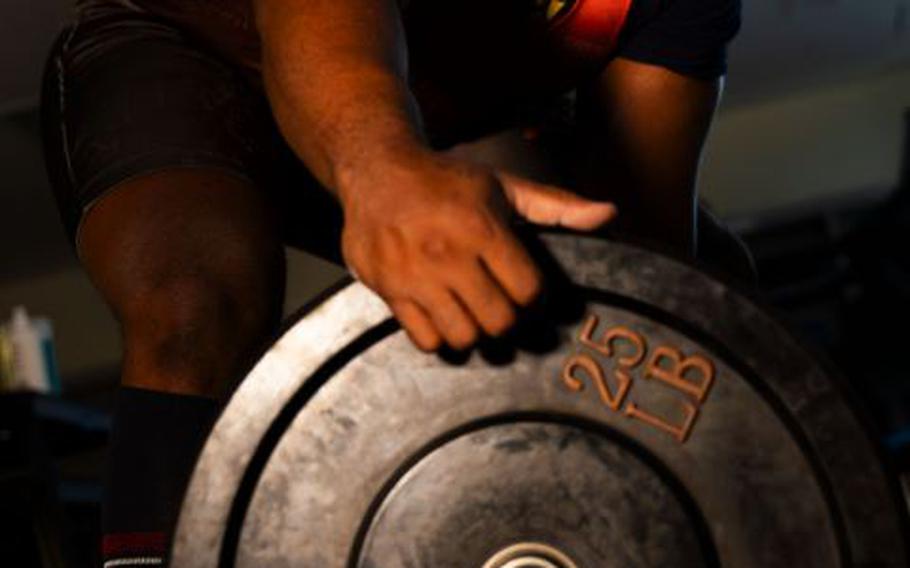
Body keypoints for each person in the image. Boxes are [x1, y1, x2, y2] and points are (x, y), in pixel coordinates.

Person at [40, 0, 741, 564]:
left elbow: (645, 256)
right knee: (194, 305)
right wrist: (380, 169)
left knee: (691, 293)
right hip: (193, 51)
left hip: (434, 118)